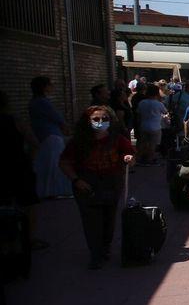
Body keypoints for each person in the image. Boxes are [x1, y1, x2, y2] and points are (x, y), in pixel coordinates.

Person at [58, 106, 135, 268]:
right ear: (88, 121)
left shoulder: (117, 139)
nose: (101, 122)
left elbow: (131, 155)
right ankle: (95, 253)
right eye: (96, 119)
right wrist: (76, 180)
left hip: (111, 183)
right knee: (91, 221)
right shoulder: (78, 141)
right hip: (87, 184)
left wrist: (128, 158)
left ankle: (105, 247)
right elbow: (64, 163)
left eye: (105, 119)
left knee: (109, 219)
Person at [0, 91, 43, 249]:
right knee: (29, 203)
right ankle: (30, 239)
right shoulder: (16, 121)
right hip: (18, 166)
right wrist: (29, 159)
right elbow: (34, 142)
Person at [28, 76, 72, 198]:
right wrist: (65, 127)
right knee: (55, 164)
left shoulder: (34, 102)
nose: (52, 86)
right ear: (44, 87)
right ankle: (57, 190)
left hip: (44, 136)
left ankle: (48, 190)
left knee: (47, 164)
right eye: (50, 84)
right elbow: (57, 117)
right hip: (52, 136)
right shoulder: (42, 102)